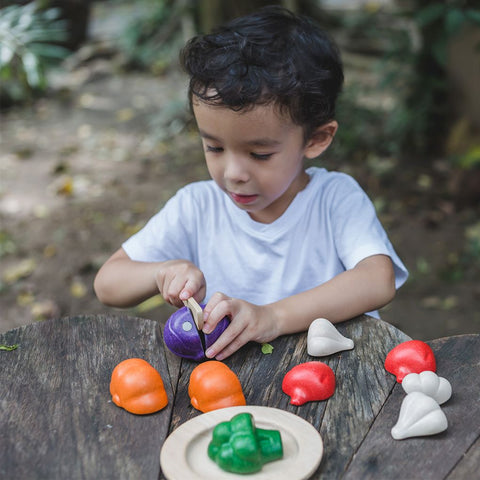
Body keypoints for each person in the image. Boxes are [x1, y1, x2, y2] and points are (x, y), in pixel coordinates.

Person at [94, 6, 408, 360]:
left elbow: (377, 280)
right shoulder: (198, 206)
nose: (233, 173)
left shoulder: (335, 199)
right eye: (214, 147)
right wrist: (161, 272)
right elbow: (108, 282)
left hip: (338, 379)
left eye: (259, 154)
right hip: (235, 388)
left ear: (316, 139)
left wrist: (273, 317)